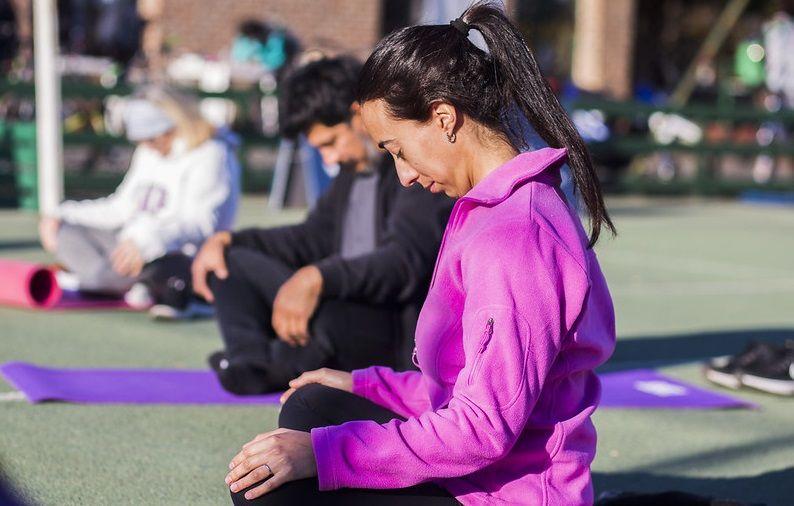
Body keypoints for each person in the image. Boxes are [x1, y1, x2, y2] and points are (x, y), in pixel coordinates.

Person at [224, 3, 616, 505]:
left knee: (269, 490)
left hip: (503, 494)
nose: (404, 175)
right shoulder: (488, 208)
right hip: (475, 466)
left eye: (398, 150)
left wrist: (324, 455)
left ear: (444, 118)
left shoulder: (516, 236)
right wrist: (366, 384)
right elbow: (459, 387)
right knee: (314, 405)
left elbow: (482, 429)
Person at [192, 56, 453, 395]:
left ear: (359, 114)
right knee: (231, 263)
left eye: (330, 143)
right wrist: (228, 239)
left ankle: (280, 364)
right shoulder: (351, 174)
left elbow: (403, 264)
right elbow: (311, 237)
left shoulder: (415, 174)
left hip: (387, 327)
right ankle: (250, 362)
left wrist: (319, 278)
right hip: (339, 301)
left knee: (328, 317)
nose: (329, 159)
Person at [38, 87, 241, 318]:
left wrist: (147, 242)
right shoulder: (148, 153)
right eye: (142, 140)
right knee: (68, 233)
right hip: (129, 245)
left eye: (153, 137)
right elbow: (121, 208)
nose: (147, 146)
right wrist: (61, 215)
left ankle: (92, 280)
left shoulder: (211, 153)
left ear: (175, 124)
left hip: (174, 253)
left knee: (104, 273)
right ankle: (125, 284)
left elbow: (201, 224)